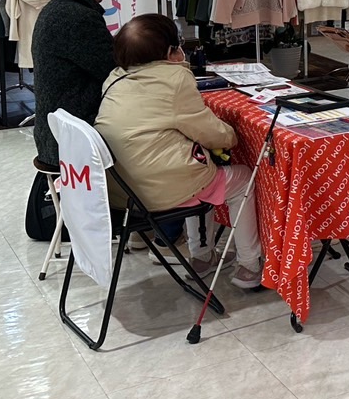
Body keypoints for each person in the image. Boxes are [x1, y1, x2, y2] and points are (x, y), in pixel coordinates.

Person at [95, 14, 263, 287]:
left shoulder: (114, 79)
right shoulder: (175, 80)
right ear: (170, 52)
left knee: (199, 168)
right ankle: (250, 265)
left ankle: (202, 256)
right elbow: (213, 134)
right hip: (159, 191)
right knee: (241, 178)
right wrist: (232, 136)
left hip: (121, 191)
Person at [32, 0, 130, 169]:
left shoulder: (61, 8)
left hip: (60, 134)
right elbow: (116, 72)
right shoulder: (76, 17)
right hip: (75, 141)